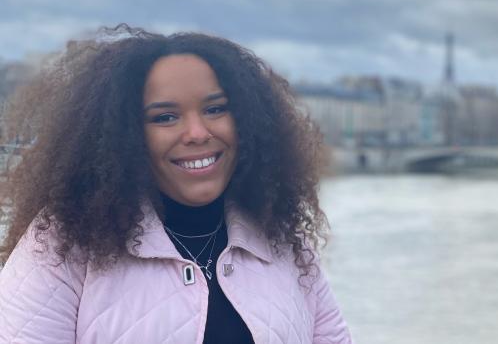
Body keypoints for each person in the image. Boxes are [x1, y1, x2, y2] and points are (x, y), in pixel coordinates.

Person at [0, 25, 352, 343]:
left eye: (216, 110)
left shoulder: (284, 237)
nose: (198, 133)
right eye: (165, 117)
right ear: (124, 135)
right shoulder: (61, 242)